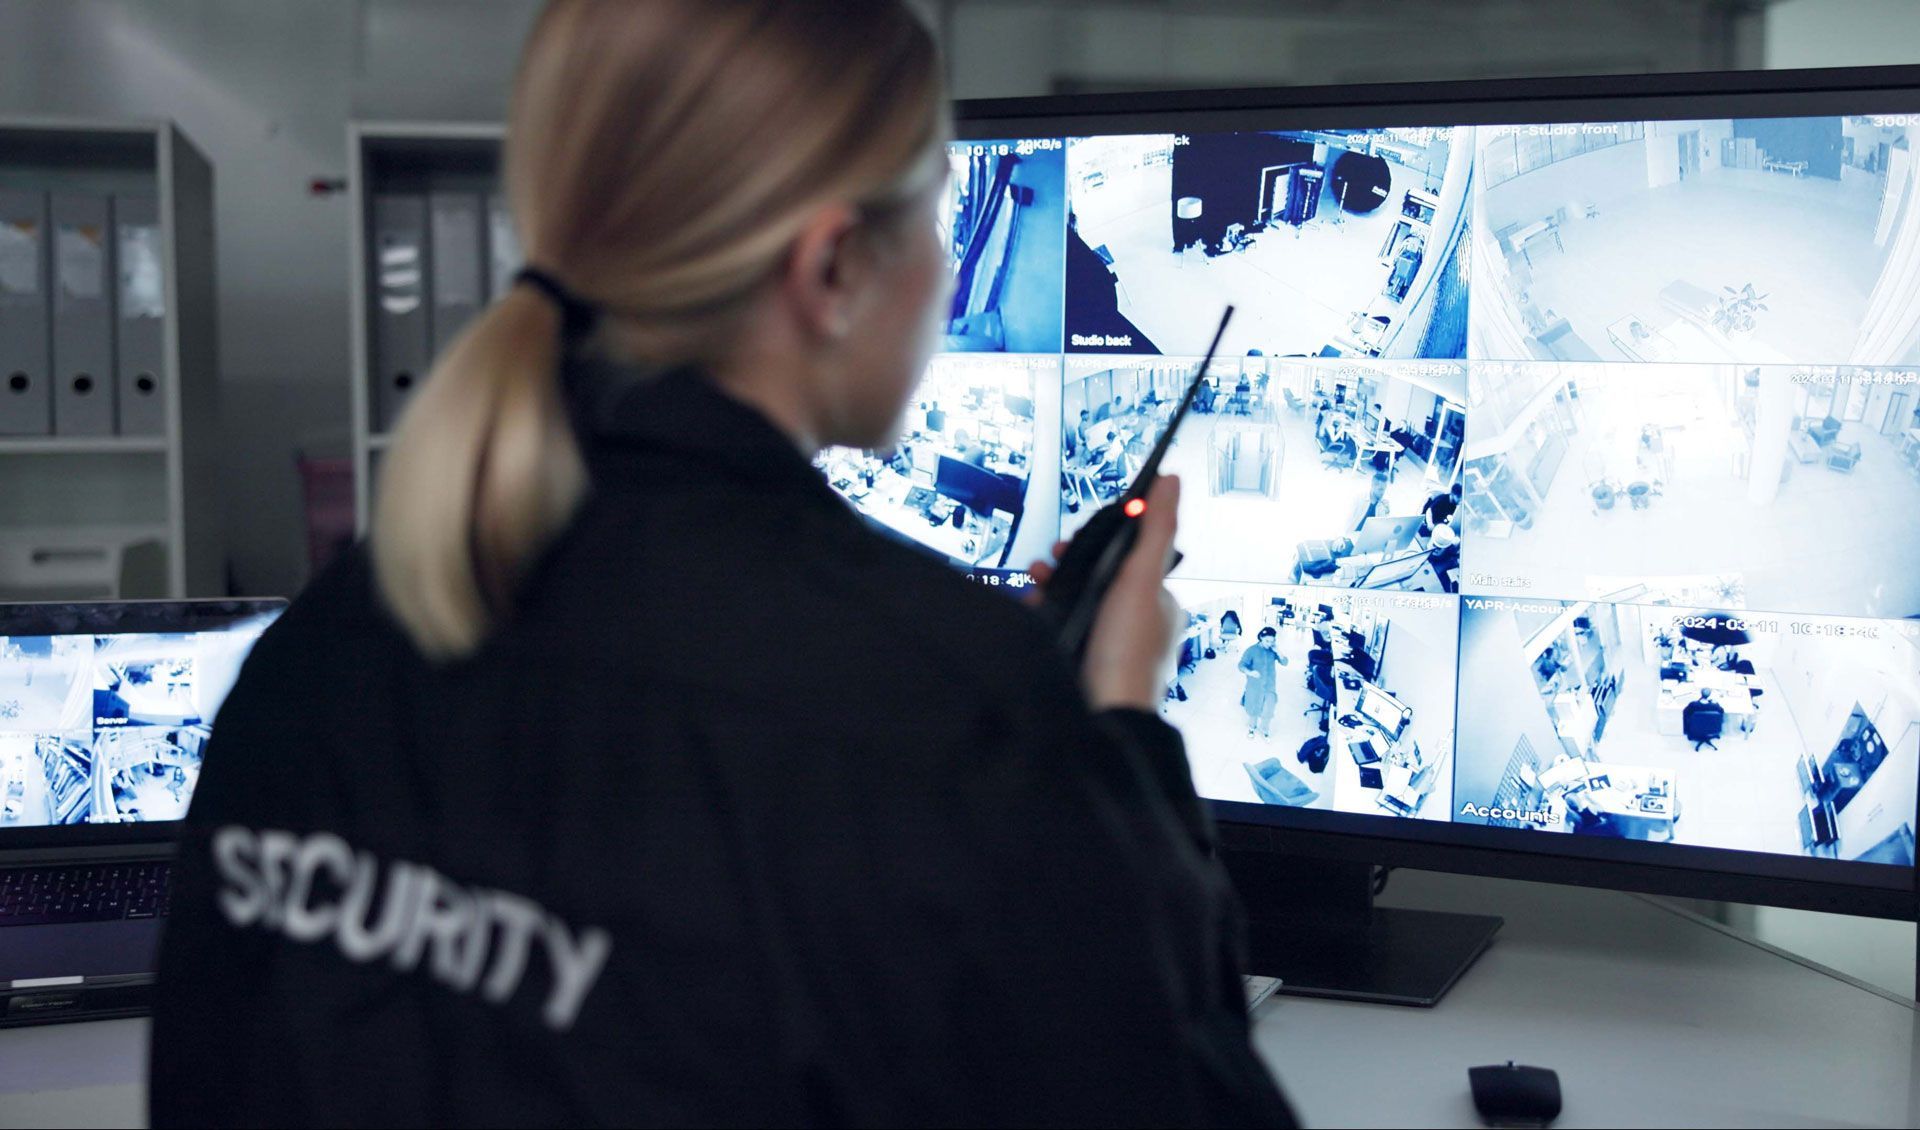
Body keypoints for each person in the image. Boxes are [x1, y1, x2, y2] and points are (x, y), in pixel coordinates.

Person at [147, 5, 1294, 1127]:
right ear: (833, 267)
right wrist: (1117, 731)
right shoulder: (953, 713)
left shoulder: (321, 647)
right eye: (935, 214)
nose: (945, 269)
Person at [1238, 626, 1286, 739]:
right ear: (1260, 637)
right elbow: (1241, 665)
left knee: (1269, 708)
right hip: (1255, 685)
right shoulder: (1251, 650)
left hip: (1270, 685)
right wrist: (1250, 672)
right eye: (1267, 641)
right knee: (1253, 707)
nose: (1269, 644)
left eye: (1272, 641)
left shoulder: (1272, 650)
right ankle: (1252, 727)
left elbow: (1285, 662)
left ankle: (1264, 728)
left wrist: (1278, 651)